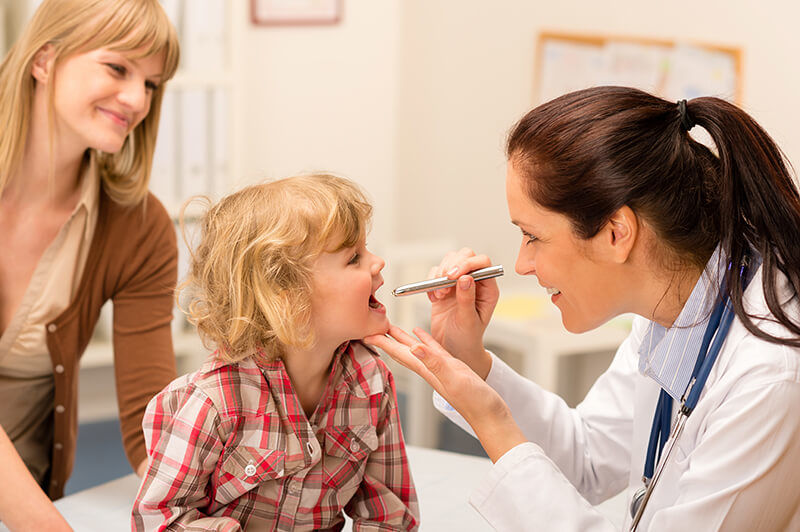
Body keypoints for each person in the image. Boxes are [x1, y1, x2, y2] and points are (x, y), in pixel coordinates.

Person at [366, 86, 800, 530]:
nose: (521, 265)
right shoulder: (674, 309)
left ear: (616, 233)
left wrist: (493, 422)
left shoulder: (770, 377)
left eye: (533, 236)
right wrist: (469, 361)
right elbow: (588, 460)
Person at [132, 174, 419, 531]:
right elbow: (158, 519)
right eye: (354, 258)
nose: (378, 263)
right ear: (287, 299)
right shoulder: (213, 403)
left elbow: (389, 516)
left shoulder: (372, 381)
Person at [0, 0, 180, 502]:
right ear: (44, 60)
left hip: (26, 503)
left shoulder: (139, 226)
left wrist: (190, 494)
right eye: (118, 67)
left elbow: (150, 412)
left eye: (151, 83)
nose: (137, 99)